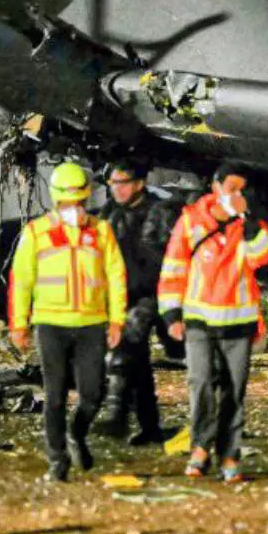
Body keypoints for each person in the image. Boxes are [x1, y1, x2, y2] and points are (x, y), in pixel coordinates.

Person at [158, 163, 268, 483]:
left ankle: (229, 455)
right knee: (200, 383)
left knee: (233, 392)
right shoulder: (192, 221)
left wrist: (249, 221)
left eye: (242, 190)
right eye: (232, 189)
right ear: (216, 187)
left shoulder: (248, 225)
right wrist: (171, 315)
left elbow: (266, 254)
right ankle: (200, 447)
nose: (237, 194)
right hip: (199, 319)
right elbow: (173, 267)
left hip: (238, 321)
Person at [8, 161, 127, 482]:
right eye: (67, 202)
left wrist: (117, 320)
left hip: (91, 323)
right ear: (56, 199)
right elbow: (22, 280)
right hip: (51, 324)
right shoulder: (36, 233)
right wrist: (19, 324)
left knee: (93, 393)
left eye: (80, 202)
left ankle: (77, 433)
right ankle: (57, 460)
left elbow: (116, 277)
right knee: (55, 395)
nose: (74, 208)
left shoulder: (101, 232)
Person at [93, 160, 175, 445]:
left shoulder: (159, 212)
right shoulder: (110, 212)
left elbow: (167, 258)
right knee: (137, 362)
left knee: (125, 347)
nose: (117, 189)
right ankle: (148, 426)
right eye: (113, 183)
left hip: (153, 293)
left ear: (139, 183)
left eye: (123, 183)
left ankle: (117, 415)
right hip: (122, 293)